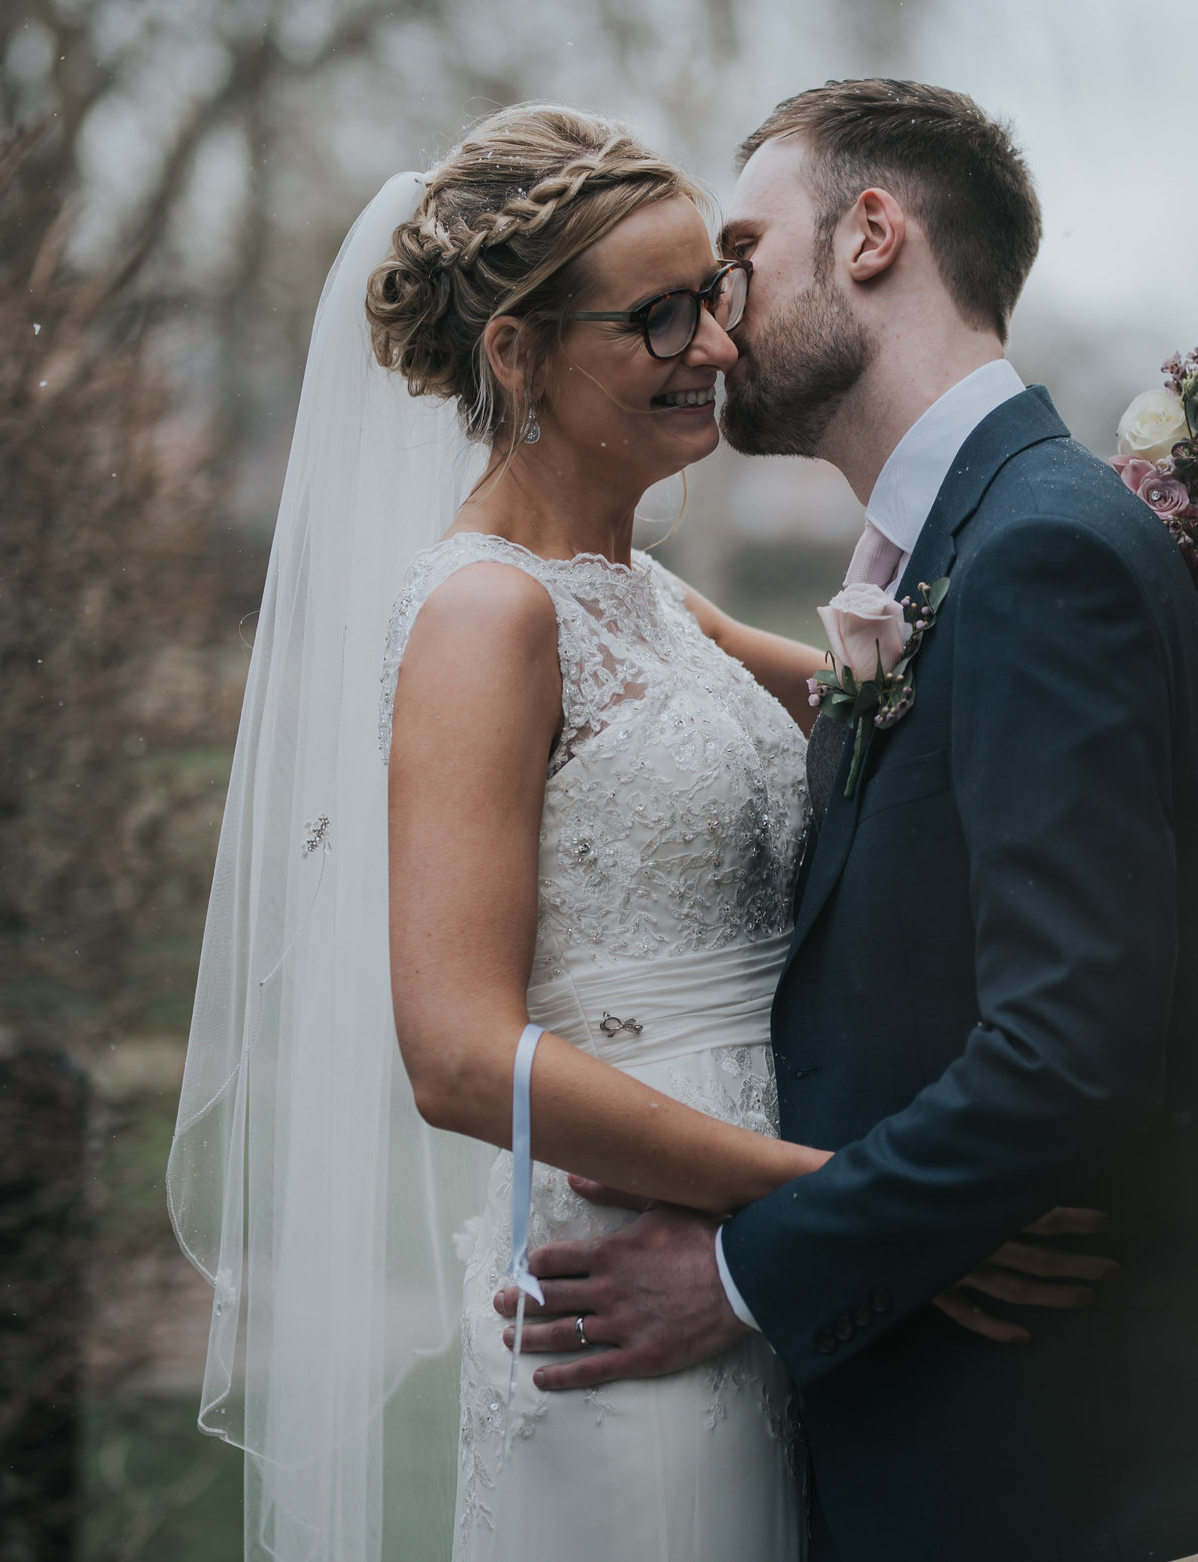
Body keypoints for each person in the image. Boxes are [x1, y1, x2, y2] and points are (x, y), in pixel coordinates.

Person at [169, 102, 1099, 1562]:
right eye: (660, 319)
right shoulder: (486, 617)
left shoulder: (653, 599)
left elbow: (952, 694)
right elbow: (461, 1056)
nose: (717, 352)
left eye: (715, 300)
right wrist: (852, 1205)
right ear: (518, 355)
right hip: (634, 1277)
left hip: (760, 1261)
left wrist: (1183, 599)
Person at [492, 80, 1198, 1561]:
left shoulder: (1035, 553)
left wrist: (750, 1270)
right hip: (949, 1422)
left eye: (739, 257)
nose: (712, 311)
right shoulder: (971, 547)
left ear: (873, 235)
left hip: (1009, 1451)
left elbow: (1065, 1051)